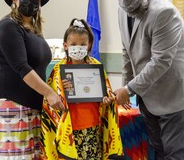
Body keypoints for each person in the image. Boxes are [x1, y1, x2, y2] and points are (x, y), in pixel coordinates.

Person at [112, 0, 184, 160]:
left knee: (174, 154)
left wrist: (128, 89)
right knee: (157, 151)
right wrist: (125, 88)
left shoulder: (164, 12)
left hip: (176, 94)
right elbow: (126, 52)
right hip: (149, 95)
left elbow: (161, 61)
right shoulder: (122, 11)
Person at [0, 0, 65, 160]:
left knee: (34, 156)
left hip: (33, 104)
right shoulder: (8, 26)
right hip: (13, 105)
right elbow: (21, 66)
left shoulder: (34, 29)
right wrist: (49, 93)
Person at [40, 18, 123, 160]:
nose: (78, 47)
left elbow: (107, 93)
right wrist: (62, 92)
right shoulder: (58, 71)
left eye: (82, 44)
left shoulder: (96, 66)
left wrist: (108, 99)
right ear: (65, 45)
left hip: (93, 128)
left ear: (89, 45)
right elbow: (51, 104)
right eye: (73, 44)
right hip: (69, 130)